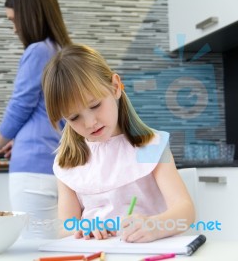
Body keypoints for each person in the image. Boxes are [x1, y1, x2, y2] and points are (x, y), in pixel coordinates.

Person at [42, 44, 195, 243]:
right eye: (74, 117)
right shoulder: (67, 163)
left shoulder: (151, 146)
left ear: (115, 87)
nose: (90, 123)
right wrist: (81, 229)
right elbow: (65, 228)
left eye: (95, 105)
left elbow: (185, 211)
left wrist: (155, 225)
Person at [0, 0, 72, 239]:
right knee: (62, 246)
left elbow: (20, 105)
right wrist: (19, 138)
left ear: (30, 15)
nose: (15, 28)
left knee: (35, 248)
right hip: (60, 167)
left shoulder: (37, 50)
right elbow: (63, 117)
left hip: (32, 171)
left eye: (14, 20)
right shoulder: (63, 52)